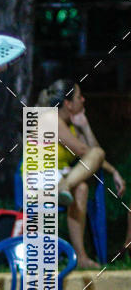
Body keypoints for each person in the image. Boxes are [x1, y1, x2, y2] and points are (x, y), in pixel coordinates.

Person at [38, 79, 129, 268]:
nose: (83, 100)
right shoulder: (50, 119)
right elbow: (85, 152)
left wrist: (85, 126)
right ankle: (63, 186)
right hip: (38, 178)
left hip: (57, 178)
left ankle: (81, 257)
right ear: (68, 103)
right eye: (79, 97)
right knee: (93, 158)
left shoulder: (69, 125)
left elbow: (94, 153)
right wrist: (107, 166)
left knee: (81, 188)